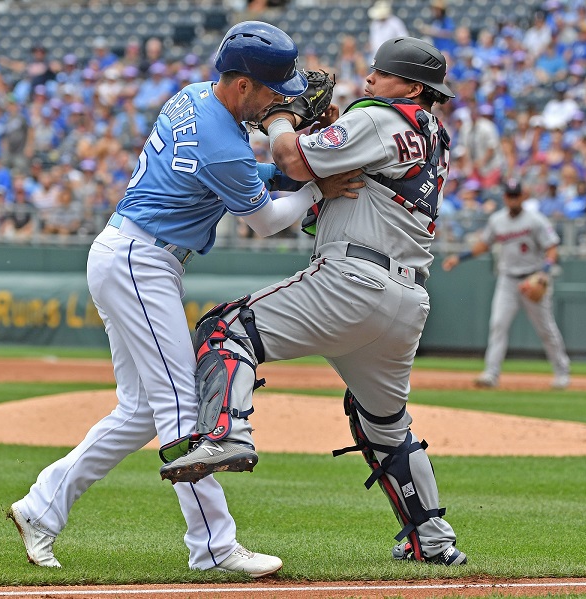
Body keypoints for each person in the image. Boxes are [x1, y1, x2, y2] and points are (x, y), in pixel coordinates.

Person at [7, 21, 361, 576]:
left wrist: (290, 174)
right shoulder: (224, 141)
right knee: (180, 409)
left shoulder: (194, 96)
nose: (279, 99)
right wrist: (316, 185)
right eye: (271, 89)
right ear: (242, 84)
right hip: (140, 261)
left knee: (139, 412)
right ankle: (214, 547)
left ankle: (41, 508)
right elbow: (266, 221)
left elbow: (239, 173)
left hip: (130, 253)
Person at [161, 36, 466, 567]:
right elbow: (329, 182)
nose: (370, 81)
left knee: (223, 330)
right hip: (407, 299)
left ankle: (227, 433)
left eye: (383, 74)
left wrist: (281, 117)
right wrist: (321, 128)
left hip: (353, 281)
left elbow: (292, 160)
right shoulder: (431, 134)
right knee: (384, 424)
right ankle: (432, 536)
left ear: (413, 87)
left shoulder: (380, 118)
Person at [442, 180, 571, 389]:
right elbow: (484, 244)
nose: (513, 199)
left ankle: (562, 372)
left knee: (546, 329)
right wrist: (460, 257)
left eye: (516, 195)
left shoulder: (535, 220)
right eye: (510, 195)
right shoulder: (497, 220)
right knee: (498, 325)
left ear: (523, 196)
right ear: (505, 198)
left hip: (532, 279)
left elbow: (552, 248)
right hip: (508, 280)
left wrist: (544, 273)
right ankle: (491, 374)